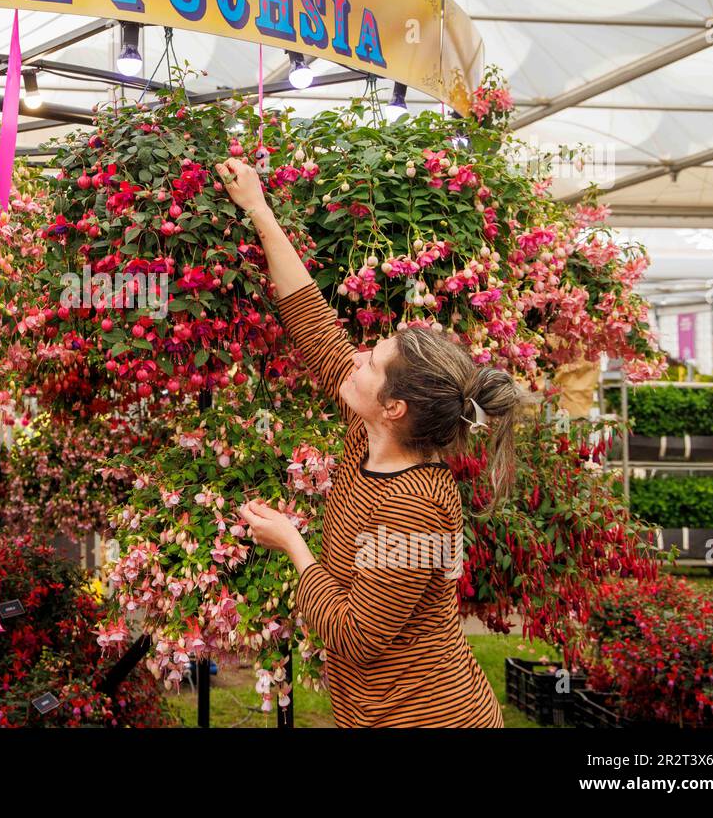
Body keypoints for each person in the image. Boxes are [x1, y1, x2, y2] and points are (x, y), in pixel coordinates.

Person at [217, 156, 528, 728]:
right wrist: (258, 209)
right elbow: (313, 323)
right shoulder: (371, 435)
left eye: (371, 361)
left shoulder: (415, 505)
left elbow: (355, 636)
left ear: (394, 407)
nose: (356, 357)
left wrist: (292, 544)